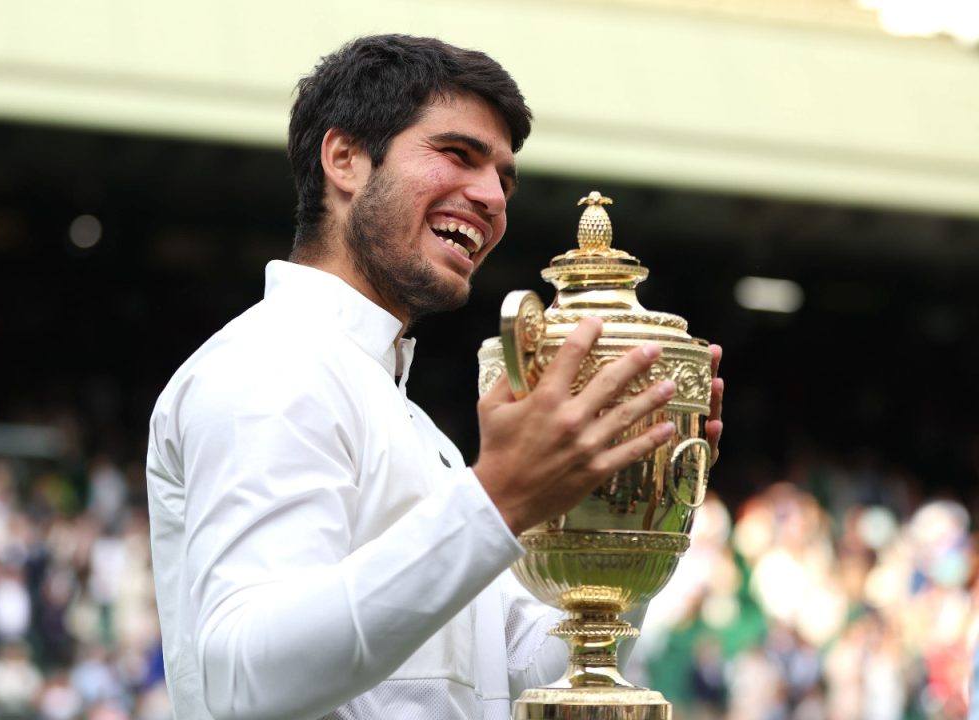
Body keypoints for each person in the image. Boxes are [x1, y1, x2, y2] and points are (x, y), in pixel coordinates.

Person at [146, 34, 725, 720]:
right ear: (345, 160)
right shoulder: (267, 367)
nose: (491, 197)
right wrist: (499, 498)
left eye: (504, 179)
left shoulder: (414, 427)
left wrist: (636, 496)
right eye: (458, 155)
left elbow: (520, 672)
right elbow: (248, 677)